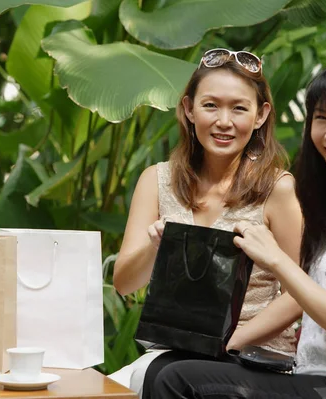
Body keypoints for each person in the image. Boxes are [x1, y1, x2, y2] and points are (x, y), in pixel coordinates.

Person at [149, 55, 326, 398]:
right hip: (315, 377)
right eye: (321, 118)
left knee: (176, 381)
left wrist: (275, 259)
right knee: (166, 368)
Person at [109, 48, 304, 397]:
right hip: (176, 350)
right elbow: (124, 282)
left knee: (155, 379)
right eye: (211, 105)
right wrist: (157, 247)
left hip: (253, 355)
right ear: (188, 109)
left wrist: (228, 341)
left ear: (261, 115)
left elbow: (298, 295)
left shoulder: (278, 189)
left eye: (239, 108)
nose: (224, 121)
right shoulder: (156, 181)